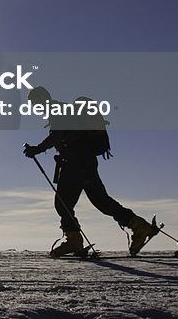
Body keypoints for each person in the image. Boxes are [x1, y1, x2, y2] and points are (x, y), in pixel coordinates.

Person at [22, 86, 157, 257]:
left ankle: (74, 241)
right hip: (85, 164)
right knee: (102, 202)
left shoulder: (57, 112)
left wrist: (36, 149)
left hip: (75, 165)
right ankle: (139, 226)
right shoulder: (62, 111)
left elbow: (56, 136)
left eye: (34, 103)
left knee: (63, 203)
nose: (35, 107)